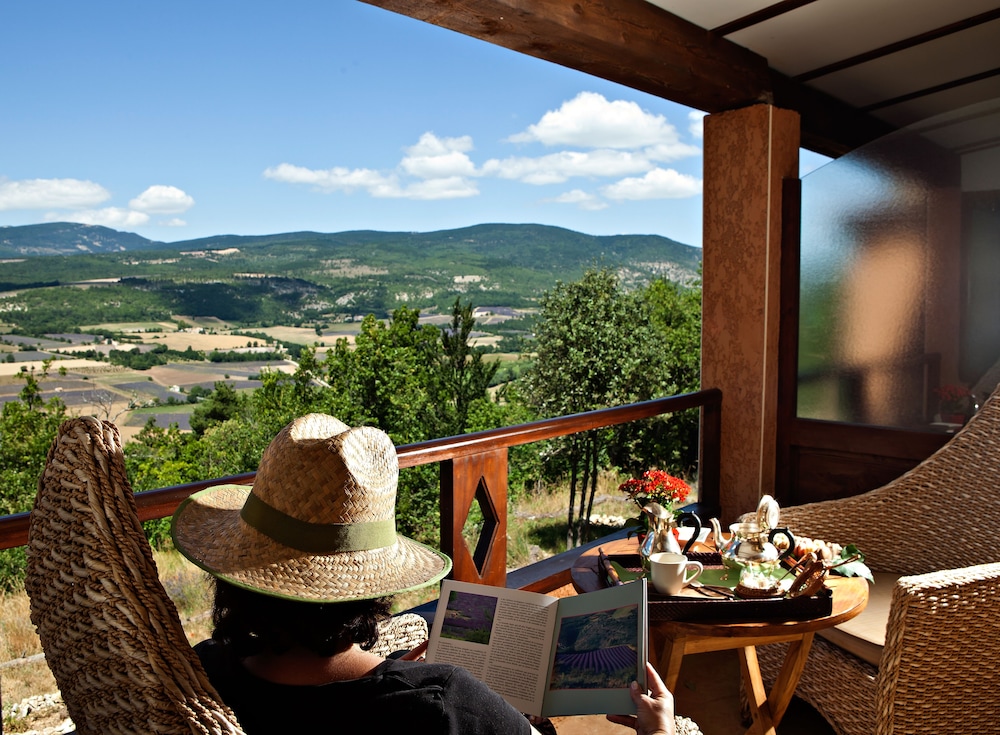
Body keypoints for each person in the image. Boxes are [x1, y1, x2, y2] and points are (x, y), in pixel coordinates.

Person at [171, 412, 676, 734]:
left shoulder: (201, 676)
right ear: (370, 588)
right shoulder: (445, 704)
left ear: (236, 576)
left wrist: (395, 671)